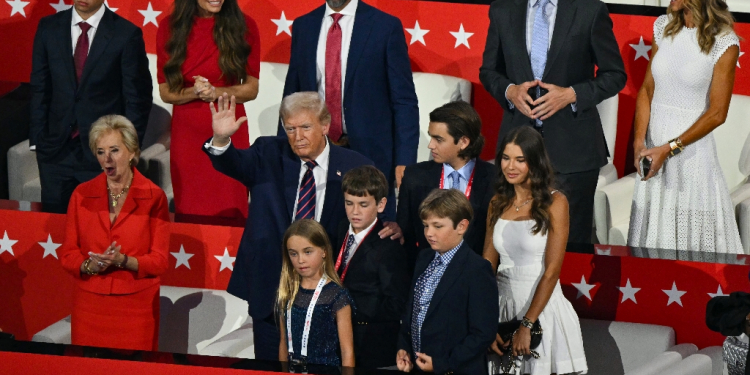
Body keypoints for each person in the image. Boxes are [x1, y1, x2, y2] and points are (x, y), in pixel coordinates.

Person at [203, 92, 372, 360]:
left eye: (306, 127)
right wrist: (222, 140)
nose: (298, 136)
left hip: (327, 295)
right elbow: (232, 162)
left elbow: (374, 214)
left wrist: (392, 226)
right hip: (272, 288)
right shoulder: (267, 152)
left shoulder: (355, 166)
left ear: (325, 125)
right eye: (290, 128)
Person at [479, 0, 626, 244]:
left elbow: (615, 74)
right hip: (518, 148)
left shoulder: (589, 10)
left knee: (570, 244)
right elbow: (489, 71)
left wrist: (572, 94)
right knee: (514, 241)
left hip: (573, 152)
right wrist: (509, 91)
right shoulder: (503, 9)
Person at [281, 0, 420, 220]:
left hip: (372, 152)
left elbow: (404, 101)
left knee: (374, 235)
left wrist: (405, 160)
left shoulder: (385, 26)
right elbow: (292, 96)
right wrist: (283, 153)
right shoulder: (304, 25)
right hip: (319, 149)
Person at [628, 0, 742, 253]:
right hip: (652, 150)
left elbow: (717, 113)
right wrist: (638, 142)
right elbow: (647, 89)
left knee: (694, 244)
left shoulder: (724, 41)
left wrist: (668, 149)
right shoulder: (663, 26)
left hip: (691, 158)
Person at [58, 115, 170, 351]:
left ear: (131, 152)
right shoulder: (81, 194)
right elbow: (68, 254)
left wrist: (124, 261)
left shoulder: (154, 197)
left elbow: (159, 261)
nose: (106, 159)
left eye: (114, 150)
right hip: (89, 306)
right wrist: (90, 266)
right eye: (100, 152)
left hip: (135, 308)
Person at [30, 0, 151, 214]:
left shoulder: (126, 34)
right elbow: (40, 88)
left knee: (100, 230)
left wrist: (126, 149)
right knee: (56, 229)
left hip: (103, 154)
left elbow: (137, 99)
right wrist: (38, 140)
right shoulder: (49, 27)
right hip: (55, 151)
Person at [484, 126, 587, 374]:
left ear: (535, 162)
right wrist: (484, 322)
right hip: (501, 306)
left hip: (542, 310)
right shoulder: (497, 202)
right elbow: (487, 264)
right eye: (506, 158)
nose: (510, 166)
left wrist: (527, 325)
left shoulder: (555, 202)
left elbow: (551, 271)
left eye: (520, 160)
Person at [157, 0, 260, 223]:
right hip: (188, 138)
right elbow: (166, 92)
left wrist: (216, 92)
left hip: (229, 131)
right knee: (191, 208)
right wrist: (195, 92)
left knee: (232, 205)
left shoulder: (245, 26)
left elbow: (251, 89)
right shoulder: (169, 27)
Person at [397, 189, 498, 374]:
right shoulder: (424, 258)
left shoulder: (477, 269)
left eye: (437, 226)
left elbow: (483, 333)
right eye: (426, 225)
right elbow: (412, 310)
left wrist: (442, 363)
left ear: (461, 226)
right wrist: (404, 347)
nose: (429, 233)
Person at [397, 102, 498, 273]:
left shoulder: (496, 180)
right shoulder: (414, 176)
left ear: (463, 142)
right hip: (427, 277)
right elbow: (405, 237)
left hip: (472, 278)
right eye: (431, 137)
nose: (431, 145)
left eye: (439, 139)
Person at [334, 165, 409, 368]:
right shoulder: (341, 229)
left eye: (363, 204)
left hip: (371, 344)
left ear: (381, 204)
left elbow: (396, 304)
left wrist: (350, 310)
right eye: (349, 203)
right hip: (338, 341)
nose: (355, 211)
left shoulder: (389, 245)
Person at [278, 219, 355, 368]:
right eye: (293, 254)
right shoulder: (287, 292)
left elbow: (347, 351)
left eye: (307, 252)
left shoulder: (337, 295)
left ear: (324, 251)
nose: (300, 260)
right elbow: (283, 343)